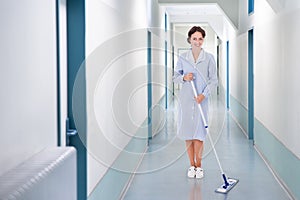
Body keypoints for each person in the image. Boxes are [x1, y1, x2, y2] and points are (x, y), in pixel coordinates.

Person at [173, 26, 218, 179]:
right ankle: (191, 165)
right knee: (188, 134)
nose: (197, 42)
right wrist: (184, 78)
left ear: (203, 40)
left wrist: (203, 95)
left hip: (201, 101)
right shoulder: (183, 58)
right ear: (189, 40)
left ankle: (199, 166)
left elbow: (214, 81)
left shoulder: (209, 58)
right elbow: (175, 77)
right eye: (194, 39)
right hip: (186, 100)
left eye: (200, 39)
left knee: (199, 134)